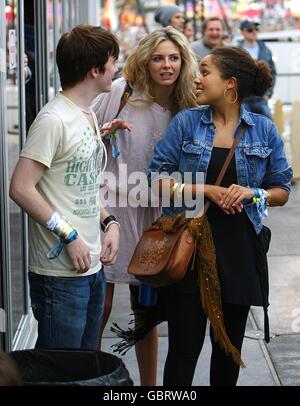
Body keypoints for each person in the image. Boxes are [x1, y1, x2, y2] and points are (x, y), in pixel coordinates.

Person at [147, 46, 292, 385]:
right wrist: (208, 191)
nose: (196, 78)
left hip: (240, 254)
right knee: (183, 352)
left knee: (228, 354)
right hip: (189, 252)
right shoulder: (186, 123)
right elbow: (156, 180)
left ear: (230, 84)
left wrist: (252, 193)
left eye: (205, 71)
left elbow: (281, 190)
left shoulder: (263, 130)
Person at [92, 26, 198, 385]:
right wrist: (104, 131)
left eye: (173, 58)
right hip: (112, 211)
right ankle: (88, 376)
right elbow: (84, 129)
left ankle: (149, 388)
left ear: (183, 62)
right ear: (146, 60)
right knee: (100, 308)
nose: (166, 65)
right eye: (158, 58)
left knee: (146, 313)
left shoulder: (188, 104)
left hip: (158, 217)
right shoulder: (122, 91)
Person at [9, 25, 125, 351]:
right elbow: (20, 188)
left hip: (90, 267)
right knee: (61, 373)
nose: (116, 69)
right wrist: (68, 234)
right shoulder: (53, 119)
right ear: (95, 70)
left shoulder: (85, 113)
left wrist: (109, 222)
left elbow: (80, 184)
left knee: (85, 369)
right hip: (58, 275)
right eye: (113, 62)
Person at [238, 20, 276, 119]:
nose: (254, 32)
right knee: (244, 131)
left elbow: (273, 72)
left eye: (256, 29)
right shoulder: (237, 50)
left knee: (268, 130)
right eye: (250, 30)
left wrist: (268, 93)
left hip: (261, 98)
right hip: (243, 99)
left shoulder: (265, 49)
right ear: (242, 32)